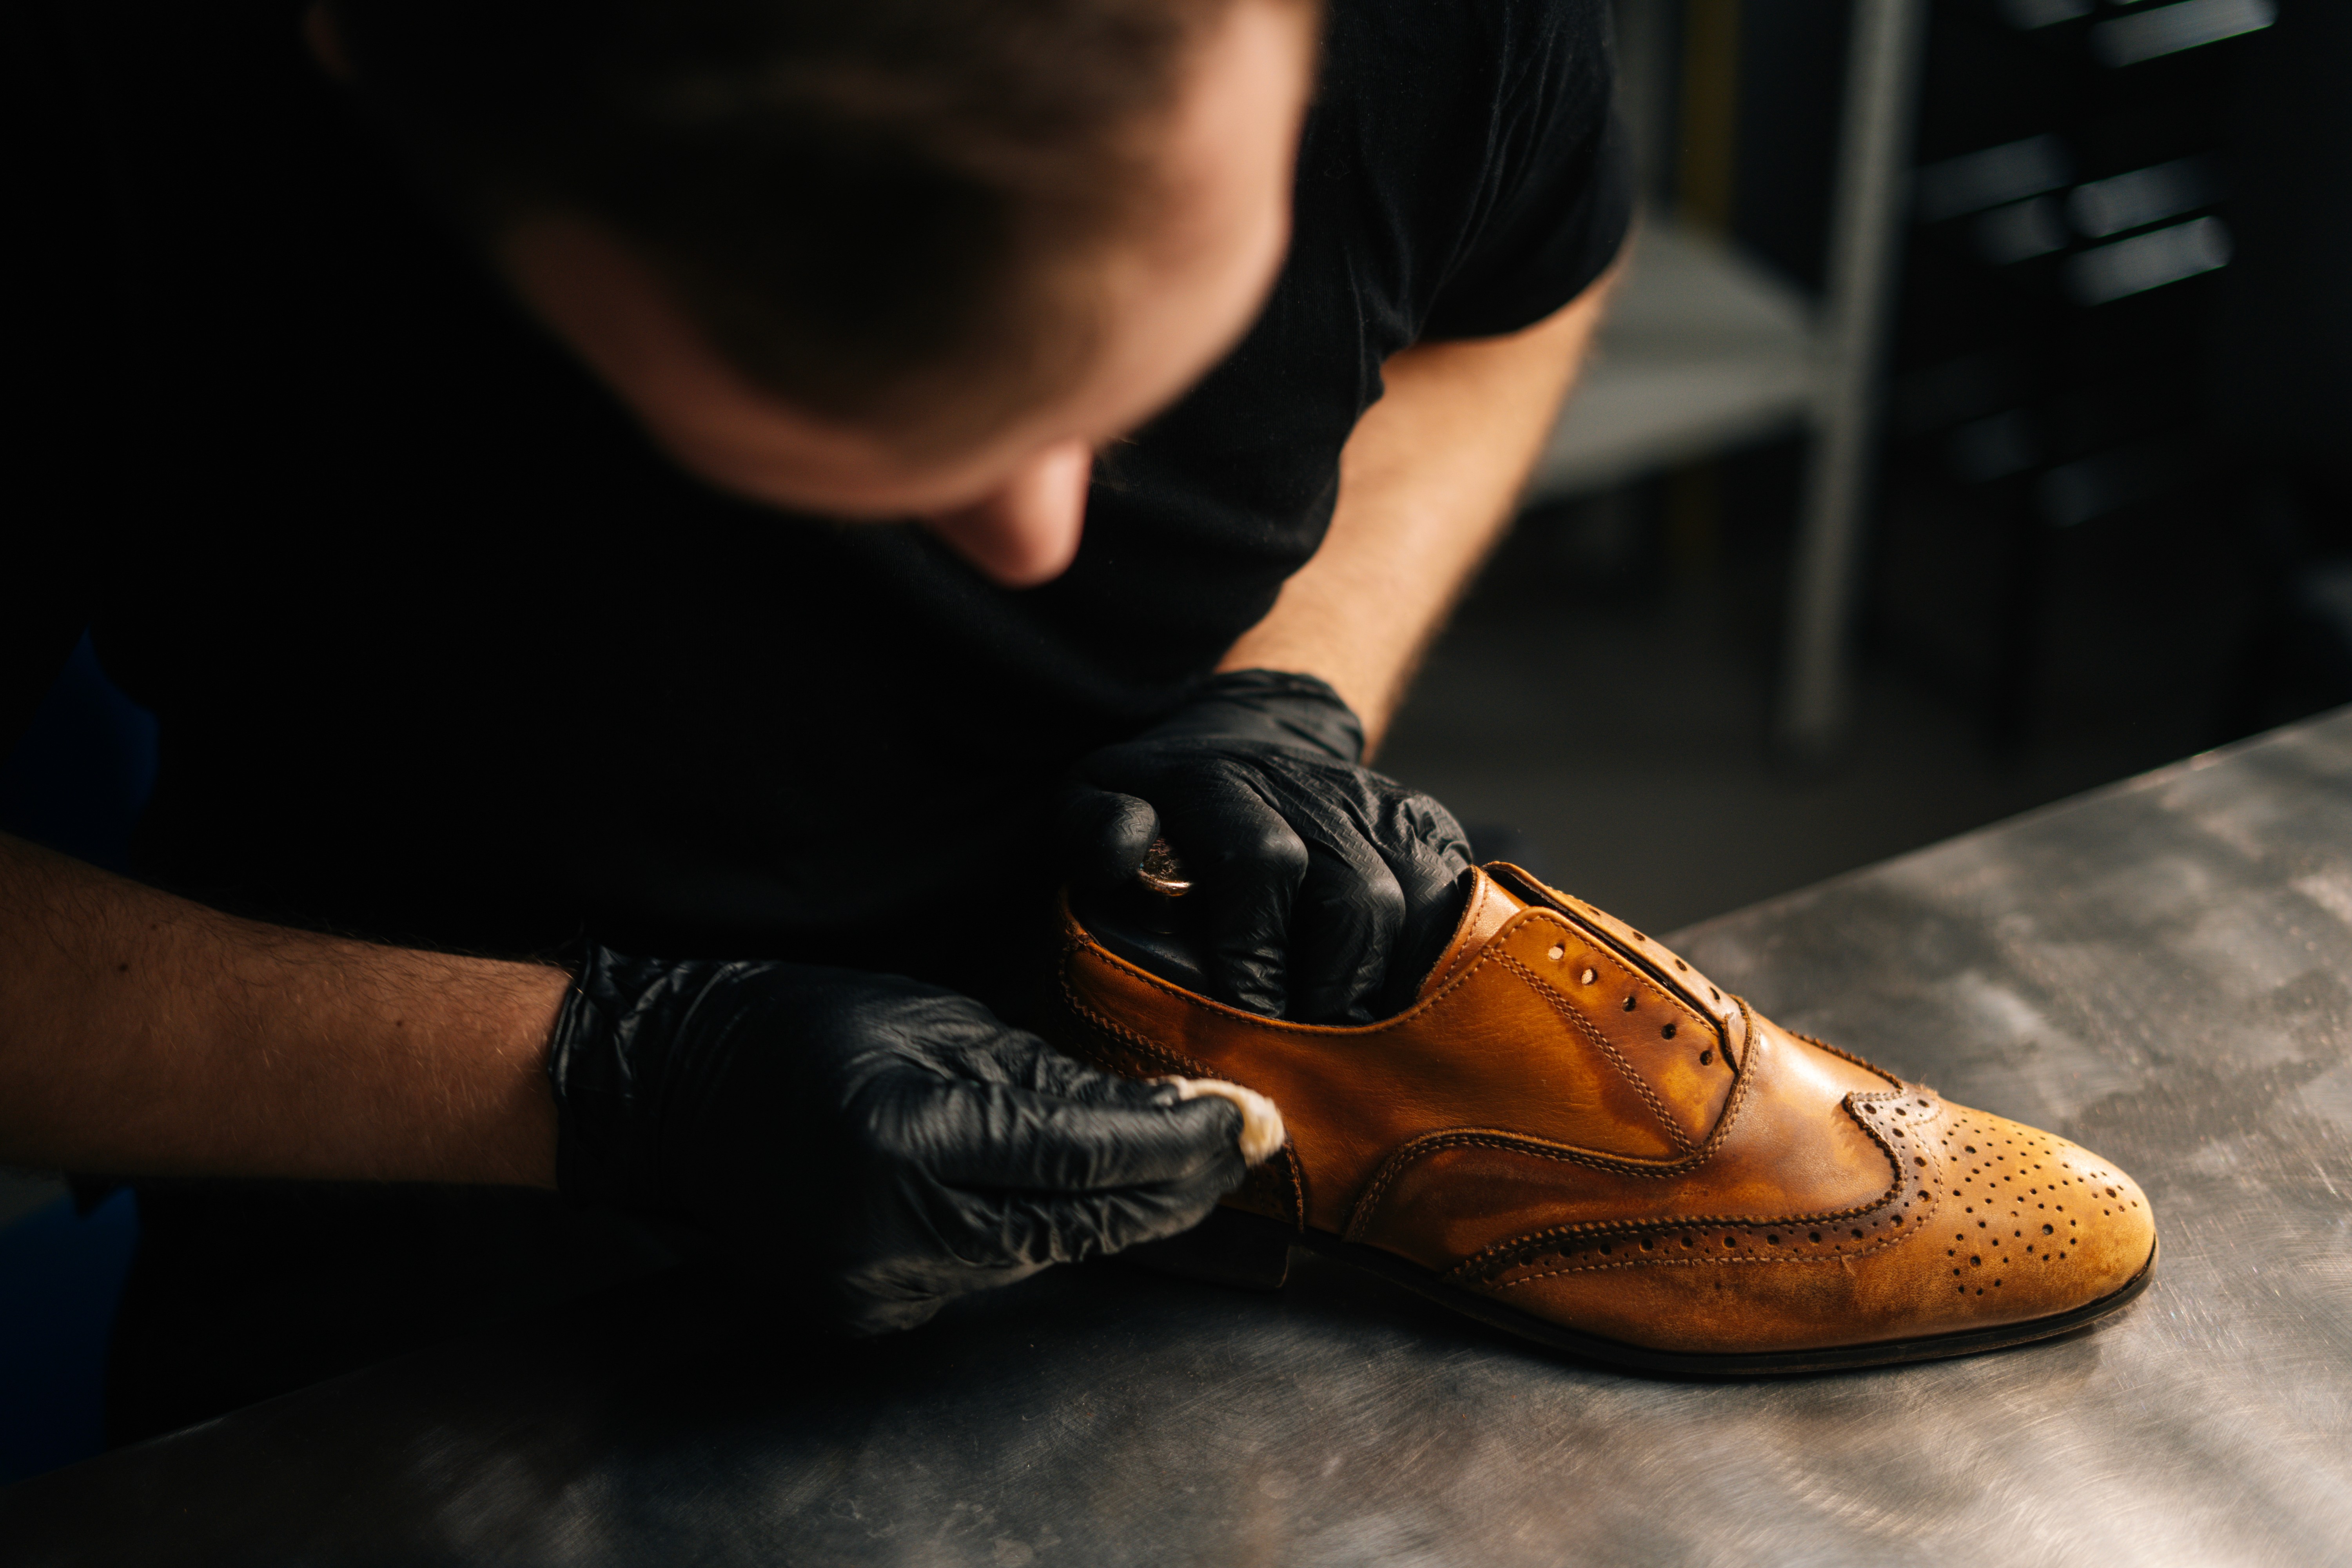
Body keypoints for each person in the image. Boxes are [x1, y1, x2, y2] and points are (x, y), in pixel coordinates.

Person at [2, 0, 1630, 1440]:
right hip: (422, 1129)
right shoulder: (98, 101)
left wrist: (1291, 679)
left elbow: (1516, 292)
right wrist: (616, 1082)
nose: (1041, 540)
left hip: (1197, 973)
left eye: (1125, 374)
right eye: (878, 408)